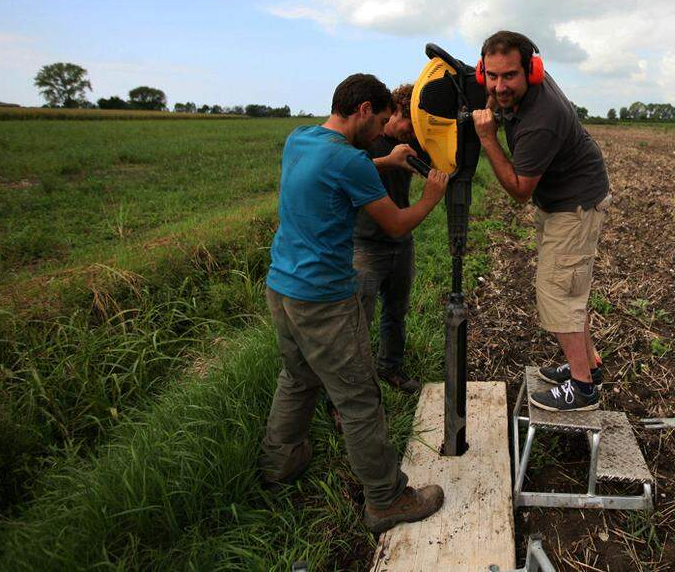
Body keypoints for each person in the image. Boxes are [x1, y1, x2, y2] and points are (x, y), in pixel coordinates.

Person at [259, 73, 449, 533]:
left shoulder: (299, 139)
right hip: (323, 300)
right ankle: (385, 499)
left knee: (299, 377)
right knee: (361, 399)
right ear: (364, 109)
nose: (381, 128)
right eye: (381, 119)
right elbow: (398, 225)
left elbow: (342, 172)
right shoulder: (352, 162)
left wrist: (386, 159)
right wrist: (430, 196)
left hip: (281, 289)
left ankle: (278, 464)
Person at [471, 31, 611, 413]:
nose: (500, 86)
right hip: (562, 198)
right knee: (570, 289)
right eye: (492, 76)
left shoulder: (541, 119)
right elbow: (495, 86)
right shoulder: (516, 86)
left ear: (531, 71)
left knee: (557, 291)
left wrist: (487, 138)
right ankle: (590, 366)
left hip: (574, 204)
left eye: (509, 77)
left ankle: (583, 389)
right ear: (483, 69)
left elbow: (519, 190)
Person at [352, 82, 428, 393]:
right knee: (358, 322)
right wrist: (389, 160)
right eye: (411, 121)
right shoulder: (368, 141)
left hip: (401, 242)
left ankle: (390, 368)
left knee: (396, 312)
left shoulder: (414, 143)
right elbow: (346, 169)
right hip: (366, 244)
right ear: (396, 110)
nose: (413, 131)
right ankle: (351, 389)